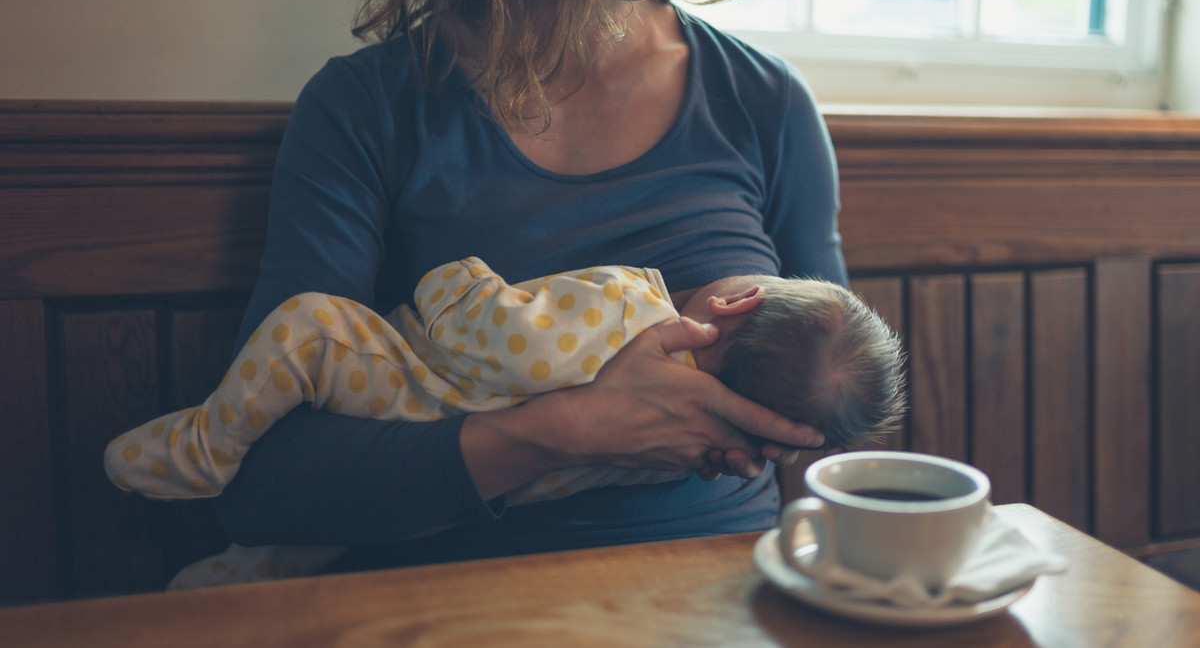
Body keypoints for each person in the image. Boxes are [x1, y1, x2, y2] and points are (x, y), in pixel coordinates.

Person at [209, 0, 849, 576]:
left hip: (724, 593)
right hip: (456, 602)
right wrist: (572, 431)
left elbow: (834, 412)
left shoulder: (765, 100)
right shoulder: (367, 107)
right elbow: (264, 488)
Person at [105, 255, 903, 588]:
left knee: (307, 327)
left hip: (397, 391)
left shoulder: (632, 304)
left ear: (733, 303)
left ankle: (205, 446)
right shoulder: (686, 449)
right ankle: (202, 590)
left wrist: (458, 277)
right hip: (436, 509)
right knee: (295, 552)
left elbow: (486, 331)